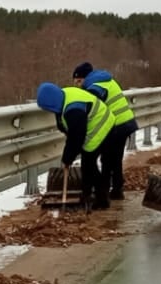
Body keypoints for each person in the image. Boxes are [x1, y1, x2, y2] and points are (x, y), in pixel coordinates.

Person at [35, 80, 117, 211]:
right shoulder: (63, 96)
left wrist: (67, 158)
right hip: (95, 123)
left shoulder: (74, 110)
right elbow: (64, 123)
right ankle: (88, 195)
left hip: (101, 126)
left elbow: (76, 138)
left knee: (89, 163)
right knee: (87, 164)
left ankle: (101, 200)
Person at [72, 61, 139, 200]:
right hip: (126, 123)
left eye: (78, 81)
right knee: (115, 159)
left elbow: (92, 107)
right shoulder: (106, 80)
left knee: (108, 159)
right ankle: (116, 189)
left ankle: (104, 191)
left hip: (116, 126)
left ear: (85, 77)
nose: (77, 85)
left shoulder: (95, 87)